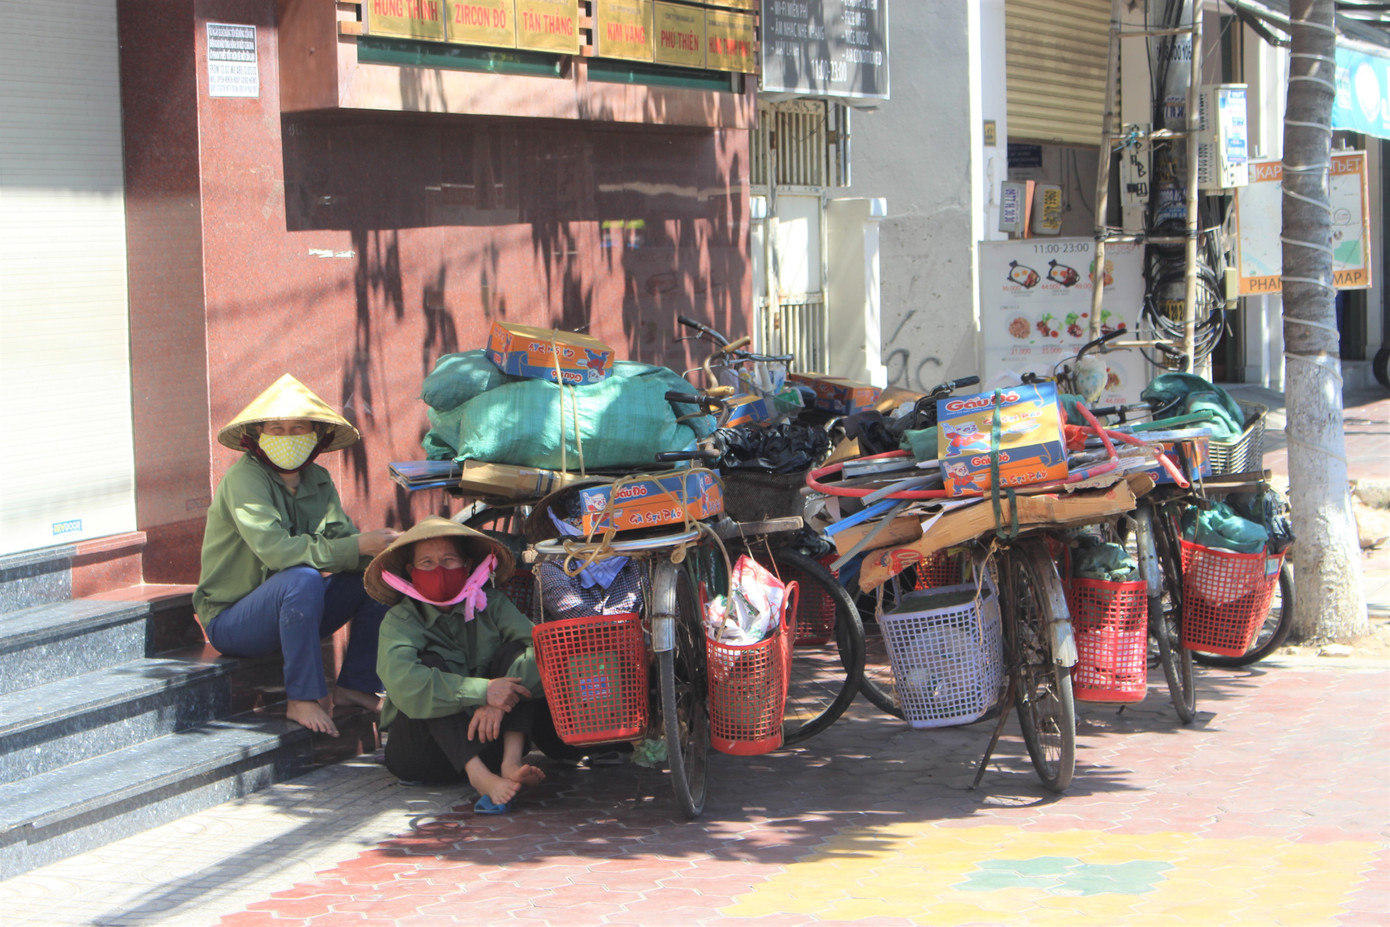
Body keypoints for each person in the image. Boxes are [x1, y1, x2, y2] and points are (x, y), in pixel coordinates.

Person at [193, 374, 399, 737]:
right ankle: (301, 697)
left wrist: (392, 552)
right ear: (257, 435)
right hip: (234, 622)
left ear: (316, 436)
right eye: (277, 428)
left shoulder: (317, 479)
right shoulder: (245, 479)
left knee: (379, 576)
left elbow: (343, 540)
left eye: (297, 428)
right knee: (301, 577)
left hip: (295, 612)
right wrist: (357, 546)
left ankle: (355, 686)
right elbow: (277, 552)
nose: (287, 437)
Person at [366, 516, 545, 812]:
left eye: (449, 560)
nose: (438, 570)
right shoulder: (401, 619)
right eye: (426, 563)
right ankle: (479, 777)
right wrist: (482, 691)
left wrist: (497, 701)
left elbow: (543, 653)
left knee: (515, 653)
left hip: (492, 742)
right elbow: (404, 683)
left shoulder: (493, 604)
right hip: (421, 757)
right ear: (410, 572)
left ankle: (511, 764)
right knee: (427, 669)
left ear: (467, 565)